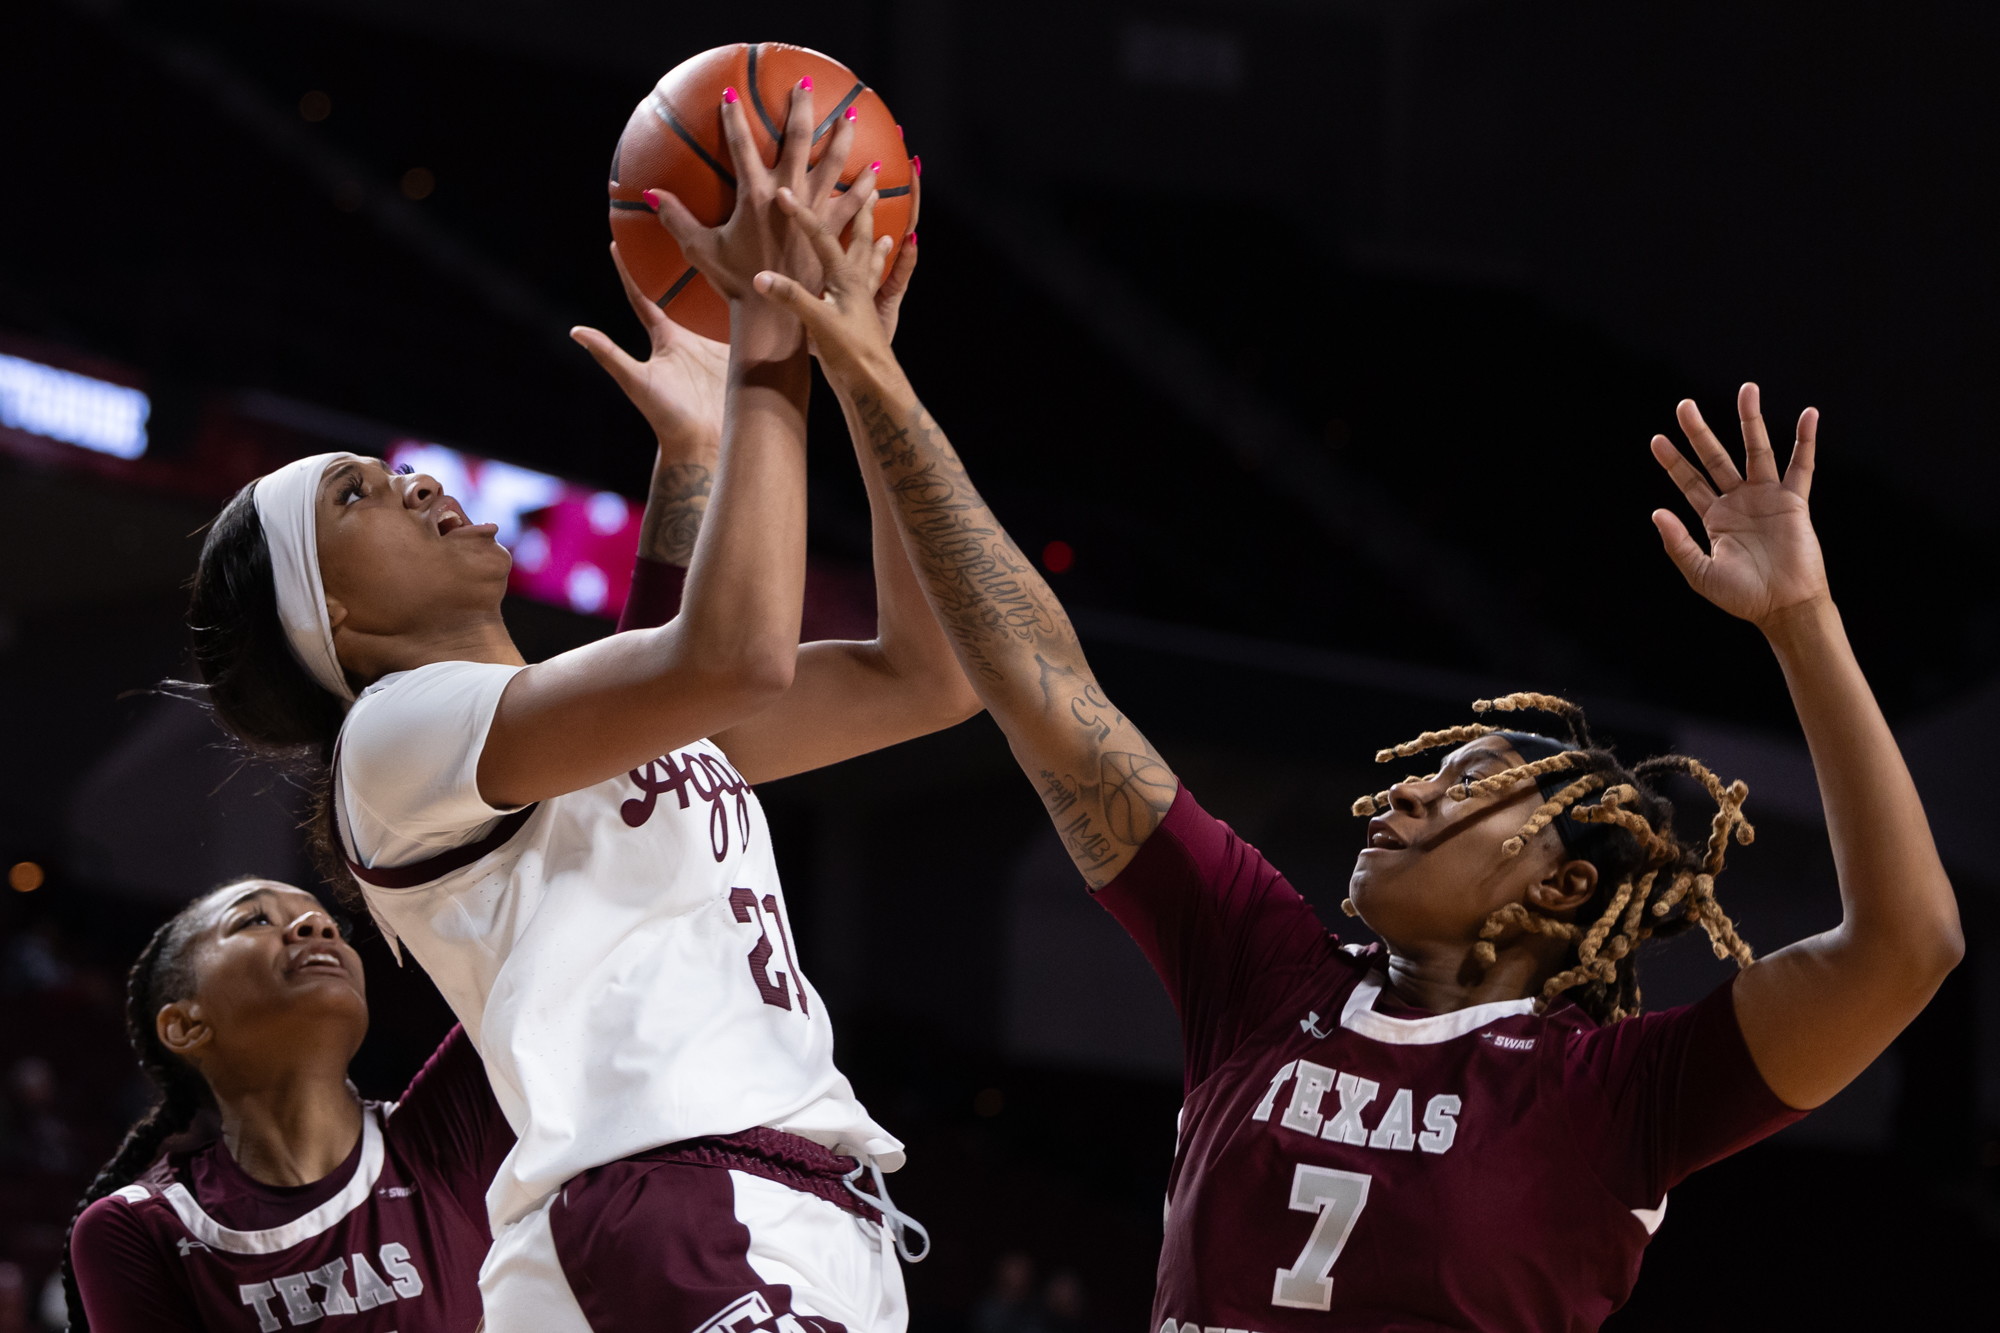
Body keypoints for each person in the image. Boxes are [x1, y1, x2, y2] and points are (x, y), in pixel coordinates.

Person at [754, 190, 1964, 1329]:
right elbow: (1042, 684)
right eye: (1423, 772)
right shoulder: (1261, 973)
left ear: (1560, 887)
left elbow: (1906, 945)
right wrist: (869, 371)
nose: (1403, 791)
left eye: (1465, 786)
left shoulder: (1612, 1096)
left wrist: (1802, 623)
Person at [182, 80, 975, 1333]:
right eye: (352, 499)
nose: (406, 482)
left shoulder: (547, 734)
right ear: (330, 624)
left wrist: (865, 374)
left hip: (729, 1217)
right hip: (685, 1206)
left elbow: (928, 674)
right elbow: (731, 657)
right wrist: (778, 339)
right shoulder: (390, 737)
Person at [61, 879, 512, 1331]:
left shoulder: (444, 1133)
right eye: (256, 919)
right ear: (184, 1024)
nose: (317, 925)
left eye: (332, 924)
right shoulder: (137, 1226)